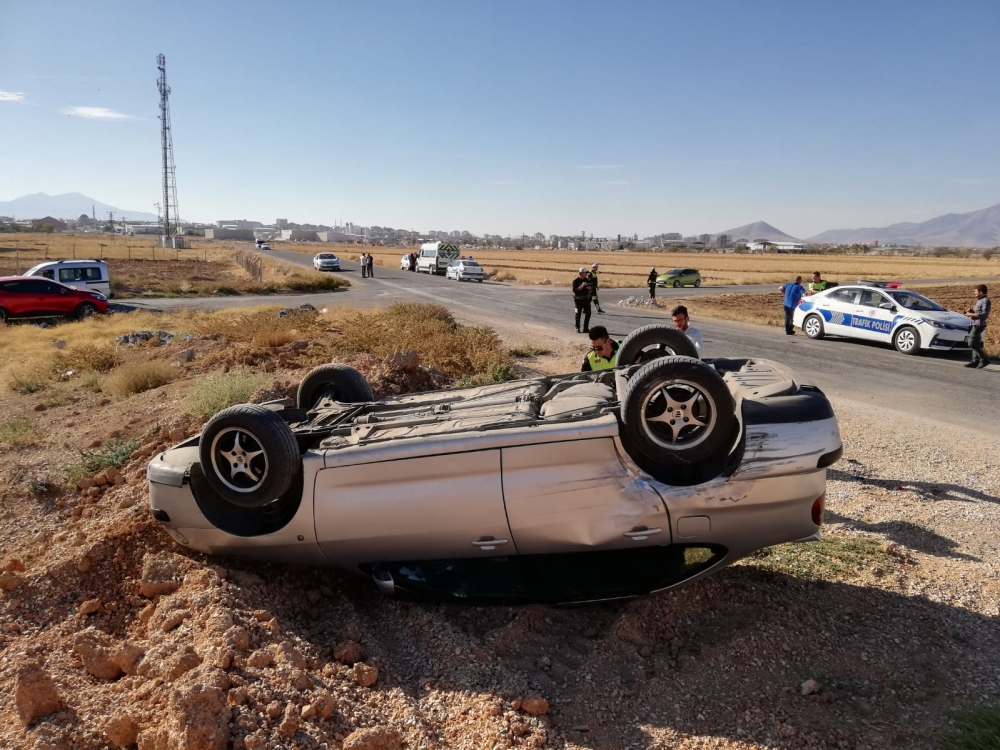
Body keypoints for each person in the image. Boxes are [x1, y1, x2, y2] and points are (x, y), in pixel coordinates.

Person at [964, 284, 991, 368]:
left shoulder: (985, 301)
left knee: (971, 343)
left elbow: (984, 314)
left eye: (976, 291)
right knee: (976, 342)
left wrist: (971, 314)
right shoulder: (980, 300)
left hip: (979, 325)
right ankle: (975, 361)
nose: (975, 293)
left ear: (981, 292)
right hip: (974, 323)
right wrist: (971, 311)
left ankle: (984, 359)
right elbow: (978, 312)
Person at [572, 267, 593, 333]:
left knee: (588, 313)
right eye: (585, 273)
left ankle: (585, 328)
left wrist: (589, 288)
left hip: (586, 300)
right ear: (581, 273)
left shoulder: (587, 280)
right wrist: (582, 286)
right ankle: (577, 327)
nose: (586, 274)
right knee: (578, 314)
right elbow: (575, 291)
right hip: (578, 300)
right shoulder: (576, 281)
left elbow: (591, 290)